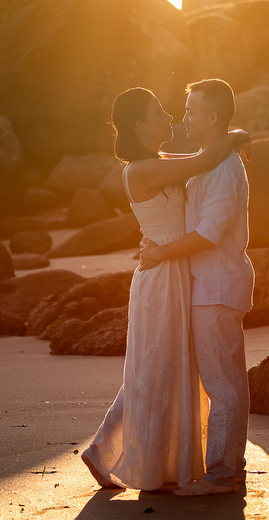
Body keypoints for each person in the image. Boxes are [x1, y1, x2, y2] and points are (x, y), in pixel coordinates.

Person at [81, 87, 250, 491]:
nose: (174, 117)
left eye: (187, 111)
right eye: (160, 112)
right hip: (163, 278)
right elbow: (203, 160)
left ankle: (112, 451)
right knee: (154, 366)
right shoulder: (143, 170)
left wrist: (230, 136)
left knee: (161, 366)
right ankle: (111, 452)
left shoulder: (165, 163)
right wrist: (234, 135)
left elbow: (201, 161)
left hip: (182, 275)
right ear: (140, 124)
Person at [138, 79, 253, 497]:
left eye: (190, 111)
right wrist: (235, 135)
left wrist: (160, 253)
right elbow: (169, 162)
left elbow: (209, 233)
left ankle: (222, 474)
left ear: (212, 116)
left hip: (216, 286)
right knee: (225, 380)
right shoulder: (211, 159)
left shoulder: (223, 169)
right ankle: (229, 467)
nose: (183, 118)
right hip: (208, 285)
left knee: (221, 384)